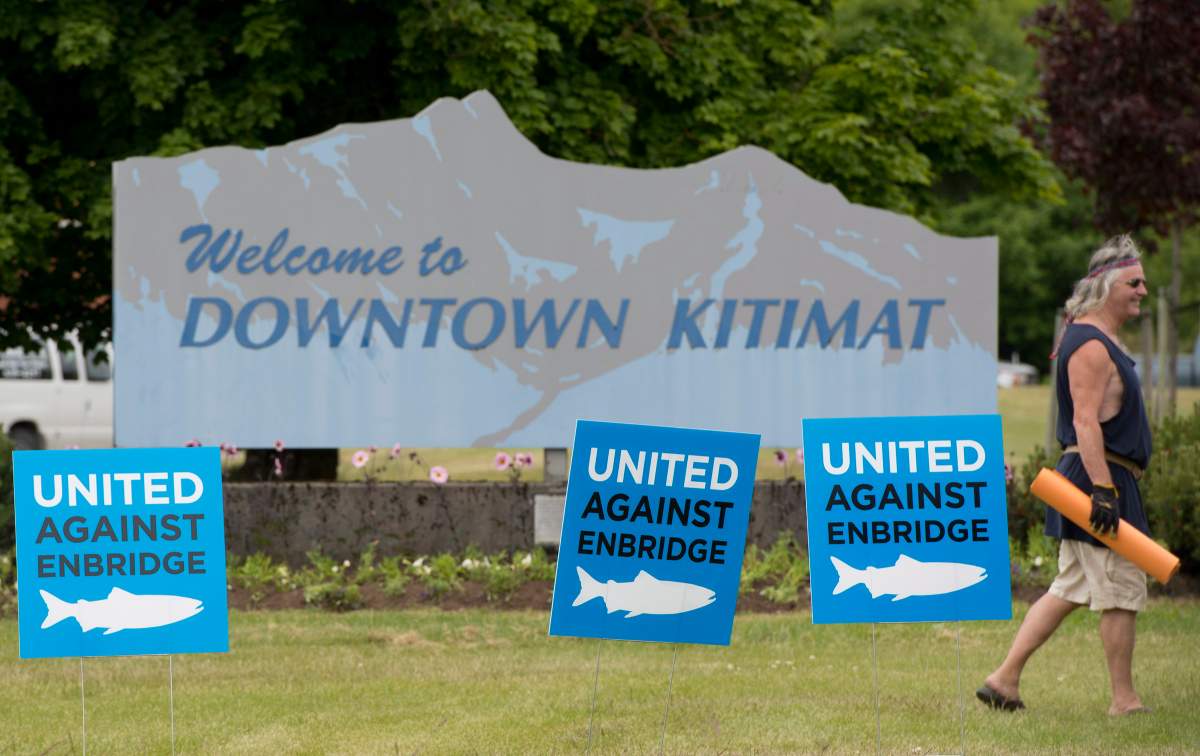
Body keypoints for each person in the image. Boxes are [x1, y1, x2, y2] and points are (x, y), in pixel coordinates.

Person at [978, 234, 1153, 716]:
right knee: (1119, 590)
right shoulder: (1091, 345)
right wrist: (1103, 489)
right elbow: (1084, 420)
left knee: (1070, 586)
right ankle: (1125, 700)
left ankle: (1003, 679)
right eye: (1134, 283)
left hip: (1096, 476)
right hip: (1095, 479)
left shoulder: (1095, 338)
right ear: (1106, 286)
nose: (1143, 291)